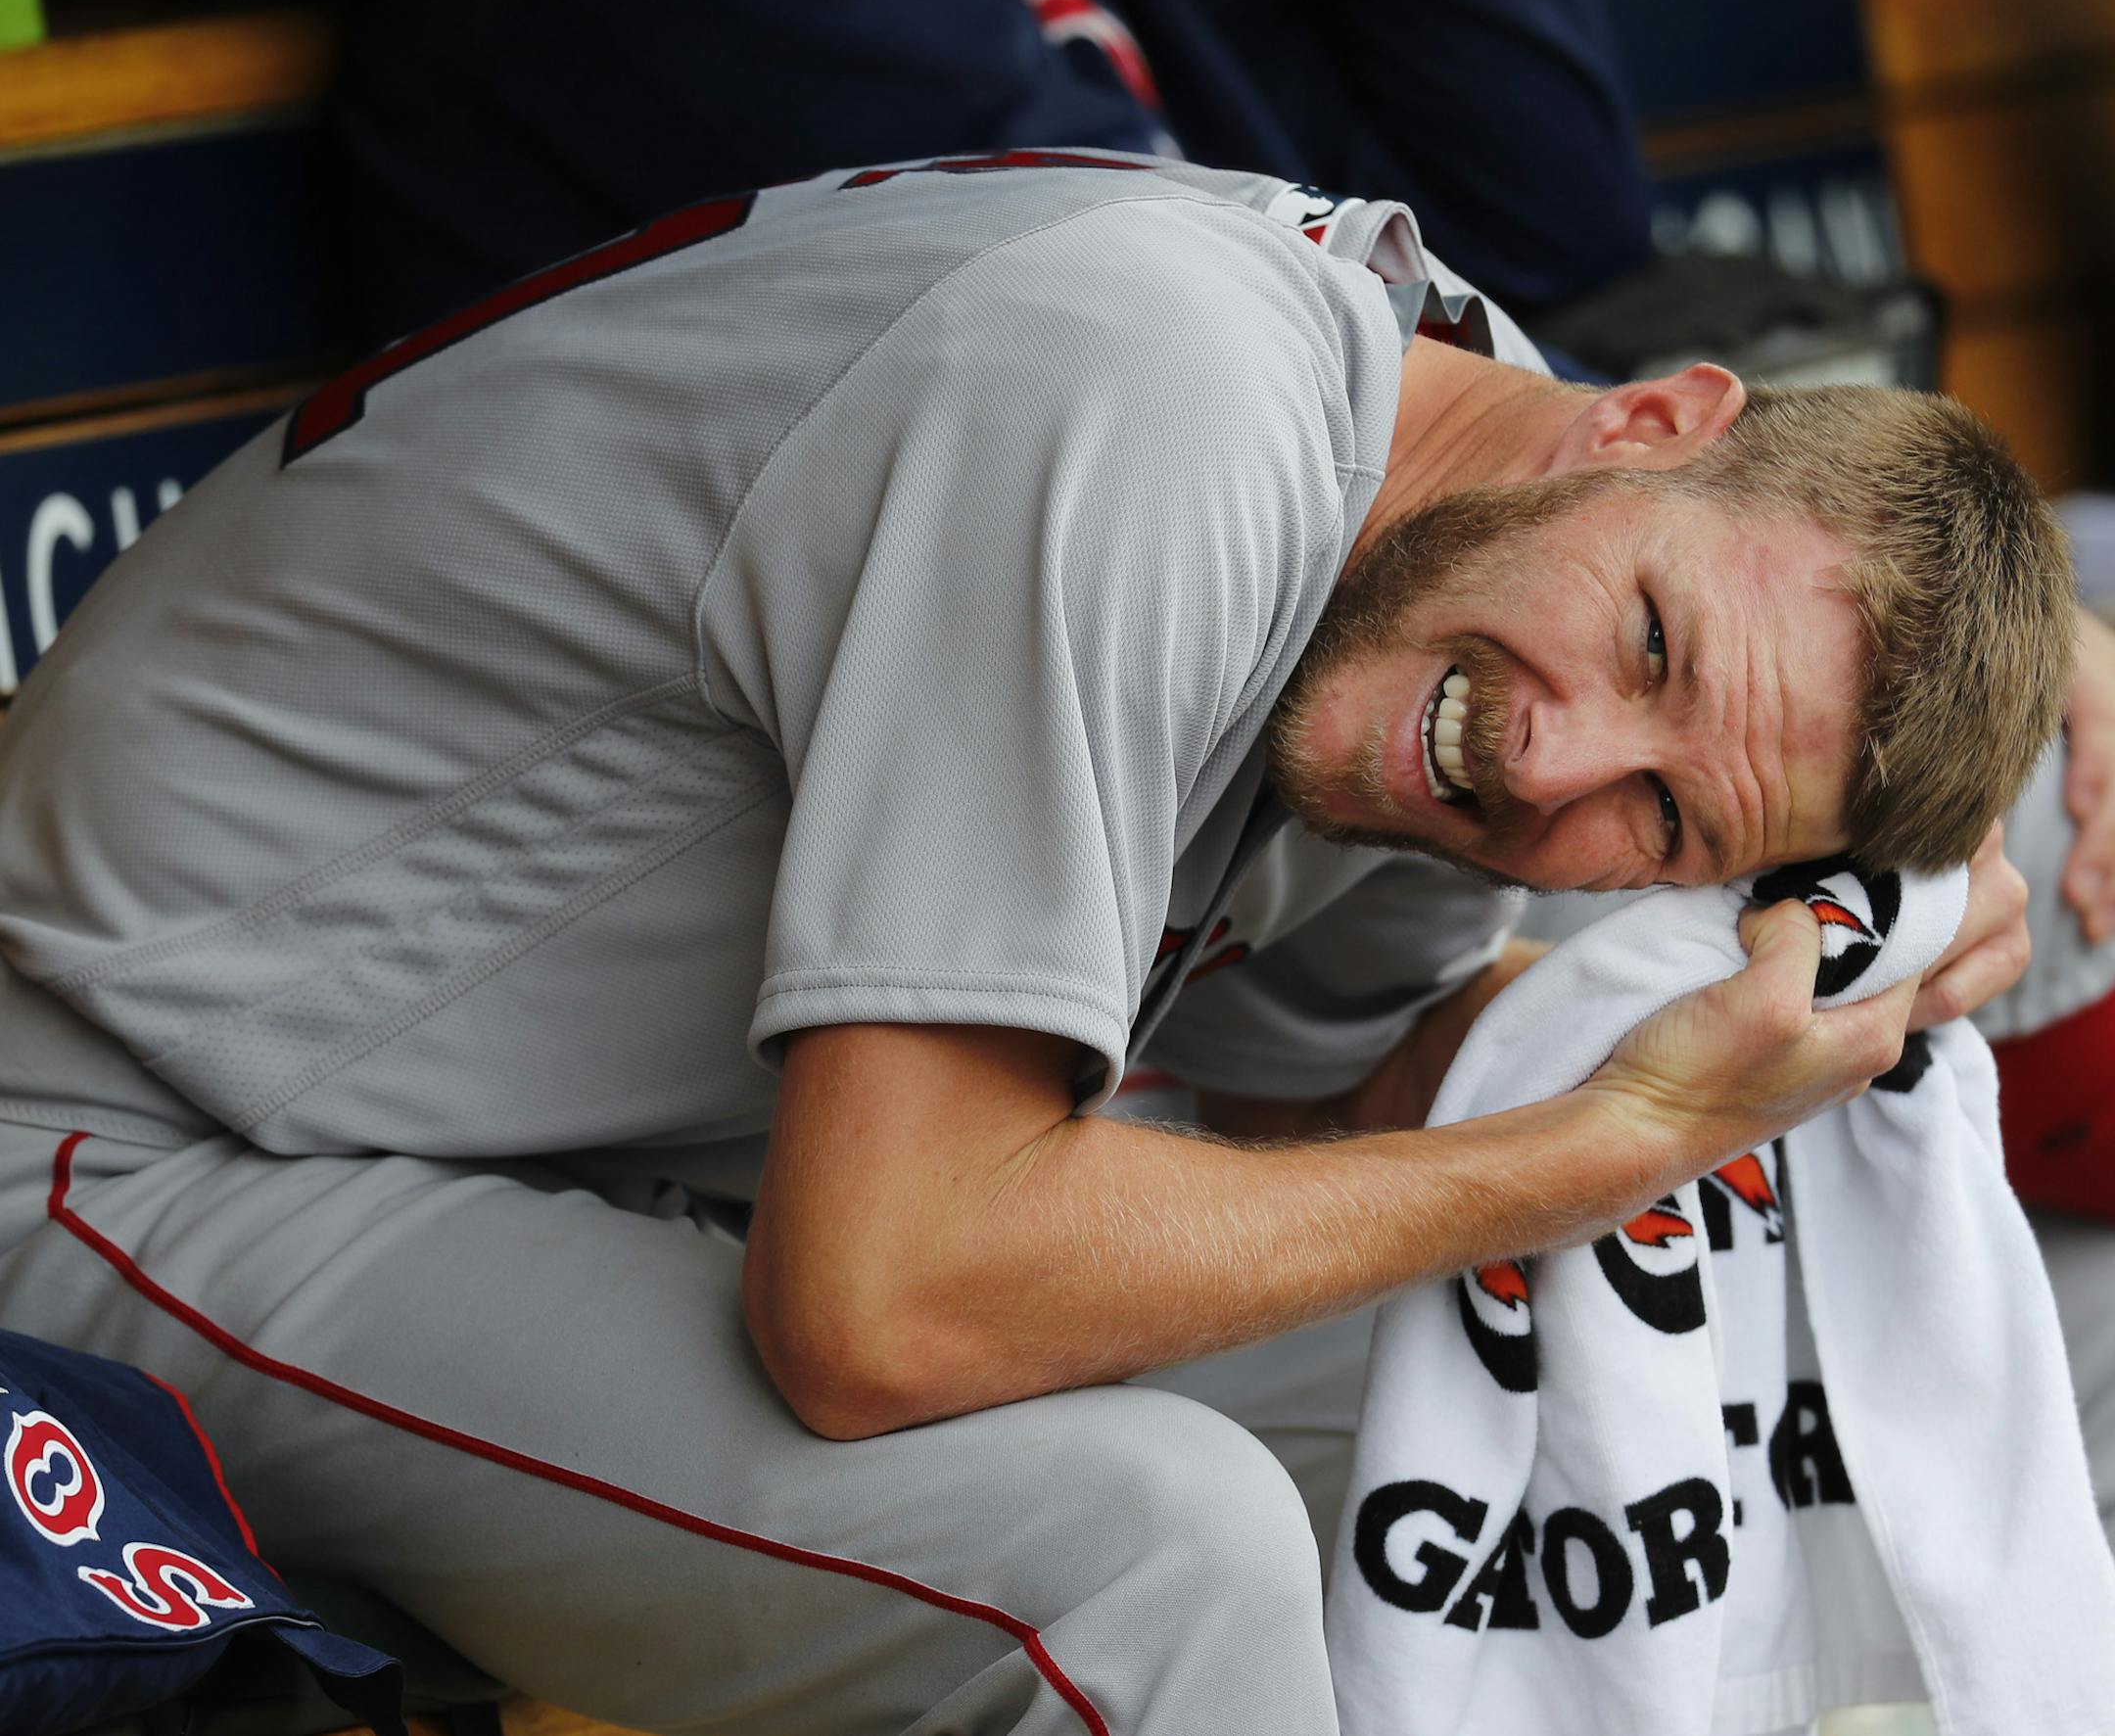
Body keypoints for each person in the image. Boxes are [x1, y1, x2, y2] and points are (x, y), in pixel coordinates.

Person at [0, 154, 2057, 1734]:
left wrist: (1776, 1019)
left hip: (550, 1167)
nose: (1556, 761)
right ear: (1648, 421)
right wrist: (1614, 1134)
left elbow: (1310, 1103)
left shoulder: (1476, 556)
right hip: (122, 1130)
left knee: (1599, 1366)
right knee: (1156, 1556)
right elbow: (884, 1306)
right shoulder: (1160, 401)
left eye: (1671, 819)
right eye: (1651, 645)